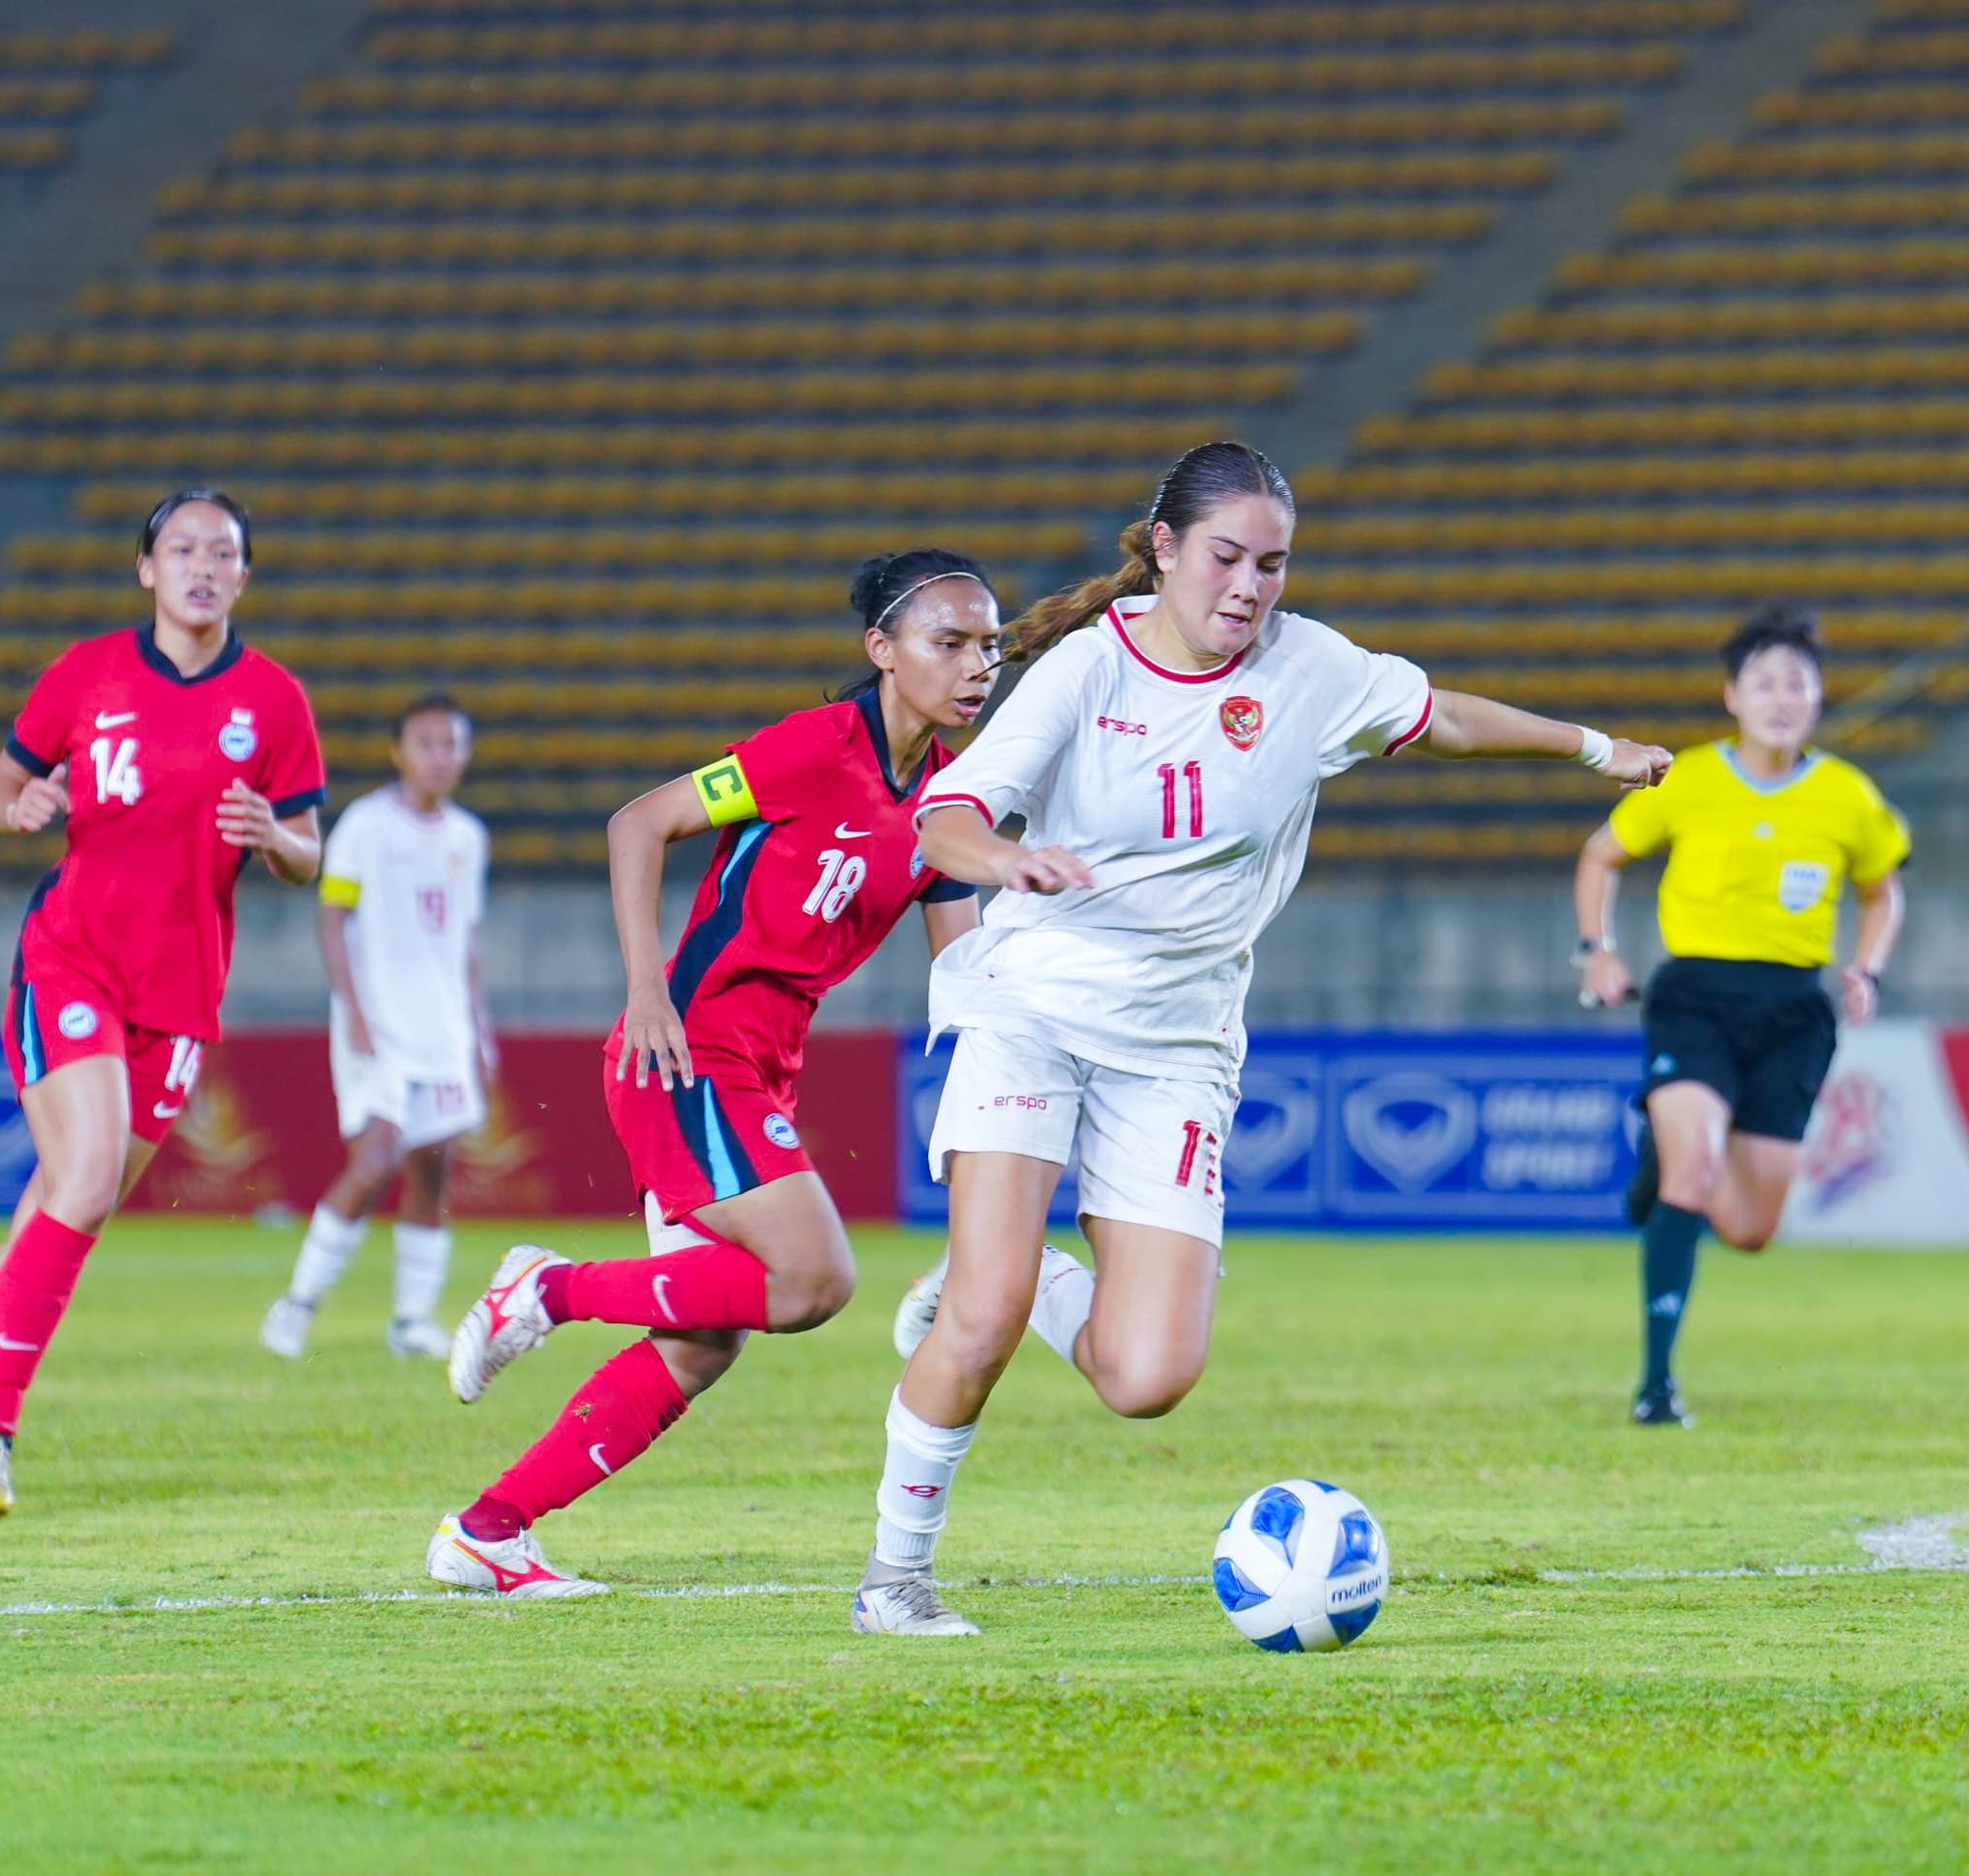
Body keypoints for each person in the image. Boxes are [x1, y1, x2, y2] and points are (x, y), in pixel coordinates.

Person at [856, 439, 1671, 1637]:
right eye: (1227, 558)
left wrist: (1593, 749)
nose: (1248, 587)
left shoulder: (1313, 668)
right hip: (1029, 1007)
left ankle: (1032, 1288)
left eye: (1272, 565)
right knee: (971, 1323)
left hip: (1179, 1047)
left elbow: (1438, 716)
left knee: (1148, 1378)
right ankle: (895, 1578)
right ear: (1168, 551)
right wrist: (1007, 858)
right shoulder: (1087, 669)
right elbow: (947, 816)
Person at [421, 549, 1005, 1598]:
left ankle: (489, 1531)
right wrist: (646, 990)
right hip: (689, 1049)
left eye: (988, 645)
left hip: (758, 1071)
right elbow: (638, 822)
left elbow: (964, 969)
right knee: (815, 1277)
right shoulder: (813, 748)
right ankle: (547, 1288)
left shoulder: (947, 806)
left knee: (700, 1343)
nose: (976, 665)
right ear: (881, 650)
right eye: (948, 641)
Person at [0, 488, 324, 1516]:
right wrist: (14, 805)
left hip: (183, 995)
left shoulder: (274, 703)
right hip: (73, 959)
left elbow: (309, 850)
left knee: (64, 1209)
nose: (202, 565)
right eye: (182, 549)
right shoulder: (86, 673)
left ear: (244, 575)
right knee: (90, 1173)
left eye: (223, 552)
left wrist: (277, 840)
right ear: (147, 570)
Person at [1575, 604, 1909, 1428]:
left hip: (1794, 1009)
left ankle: (1668, 1147)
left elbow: (1882, 888)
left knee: (1750, 1227)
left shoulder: (1845, 794)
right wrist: (1598, 947)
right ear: (1732, 695)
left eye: (1796, 681)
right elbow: (1600, 854)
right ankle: (1656, 1386)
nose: (1780, 696)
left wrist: (1865, 966)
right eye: (1763, 681)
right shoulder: (1683, 778)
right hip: (1694, 996)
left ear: (1818, 697)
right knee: (1692, 1177)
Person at [261, 693, 493, 1362]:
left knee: (432, 1167)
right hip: (379, 1022)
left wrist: (480, 1028)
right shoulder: (364, 826)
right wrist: (355, 1009)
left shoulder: (467, 837)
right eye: (426, 742)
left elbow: (467, 942)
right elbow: (332, 917)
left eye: (451, 743)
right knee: (377, 1156)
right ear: (398, 751)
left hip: (443, 1027)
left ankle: (411, 1319)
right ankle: (297, 1304)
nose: (440, 756)